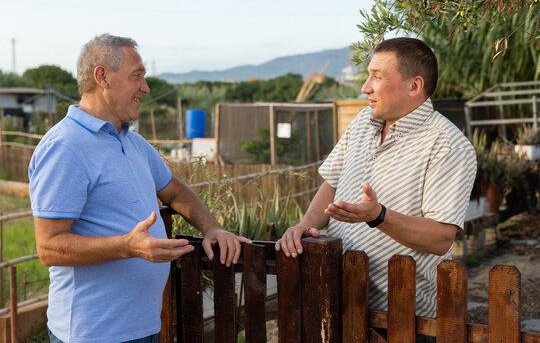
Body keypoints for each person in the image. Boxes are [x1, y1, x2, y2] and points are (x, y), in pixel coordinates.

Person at [29, 33, 251, 343]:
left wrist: (212, 228)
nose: (145, 88)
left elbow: (175, 191)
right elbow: (49, 247)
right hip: (91, 334)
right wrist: (128, 246)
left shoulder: (133, 142)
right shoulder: (65, 147)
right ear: (102, 76)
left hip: (143, 329)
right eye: (138, 76)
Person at [276, 37, 476, 320]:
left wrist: (379, 216)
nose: (365, 87)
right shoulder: (361, 121)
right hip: (335, 302)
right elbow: (332, 183)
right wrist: (305, 226)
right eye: (368, 75)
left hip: (400, 318)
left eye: (377, 77)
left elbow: (441, 238)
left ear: (414, 86)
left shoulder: (448, 145)